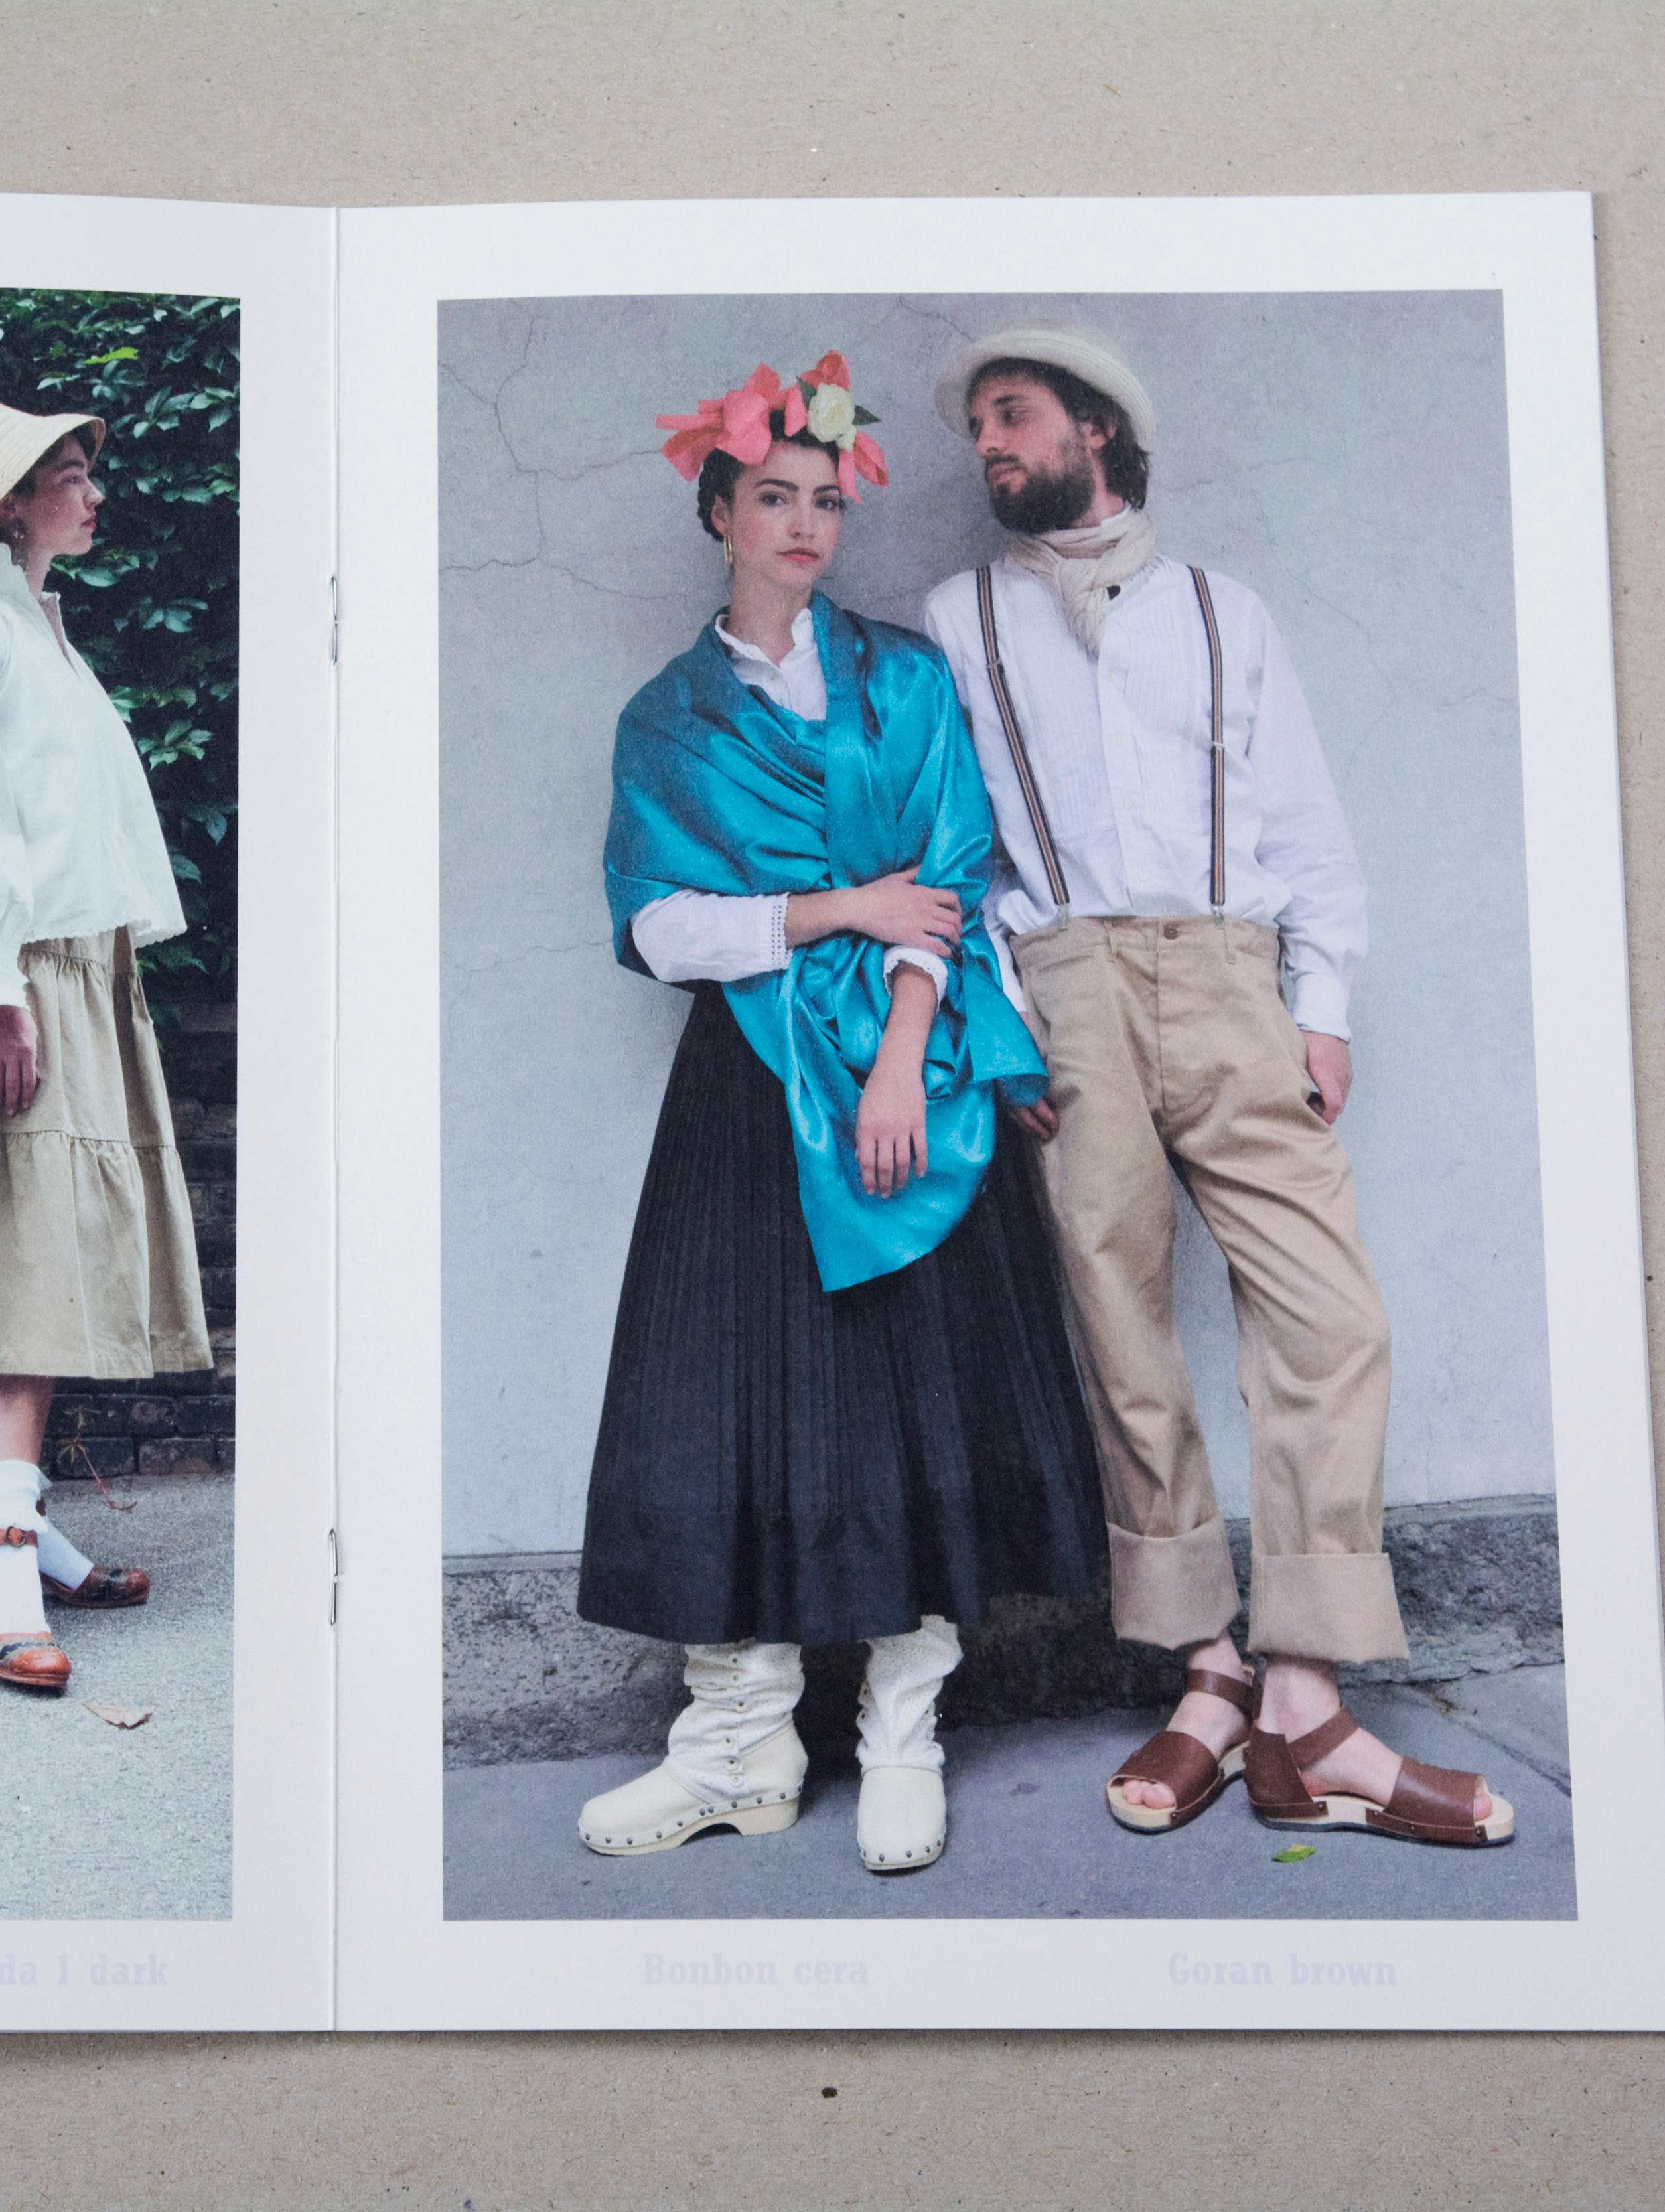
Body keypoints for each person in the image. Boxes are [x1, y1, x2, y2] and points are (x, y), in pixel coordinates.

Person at [920, 325, 1514, 1848]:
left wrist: (1321, 1004)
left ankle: (1303, 1686)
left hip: (1234, 973)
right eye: (978, 422)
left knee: (1330, 1313)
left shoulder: (1219, 613)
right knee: (1119, 1325)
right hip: (1062, 989)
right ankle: (1203, 1673)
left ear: (1099, 430)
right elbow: (954, 844)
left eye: (1012, 414)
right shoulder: (957, 616)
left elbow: (1301, 810)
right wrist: (998, 1027)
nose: (987, 442)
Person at [573, 355, 1108, 1874]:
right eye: (774, 498)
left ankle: (902, 1733)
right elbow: (663, 924)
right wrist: (830, 909)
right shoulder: (666, 721)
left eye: (825, 500)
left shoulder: (904, 677)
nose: (805, 525)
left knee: (908, 1389)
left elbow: (953, 874)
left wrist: (898, 1051)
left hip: (912, 1086)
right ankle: (737, 1745)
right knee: (731, 1398)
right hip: (748, 1094)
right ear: (719, 510)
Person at [0, 388, 210, 1695]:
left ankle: (28, 1530)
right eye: (68, 471)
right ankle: (1, 1565)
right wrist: (0, 989)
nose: (94, 489)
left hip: (75, 967)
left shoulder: (46, 639)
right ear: (10, 499)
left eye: (84, 466)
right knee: (19, 1254)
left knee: (56, 1250)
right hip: (12, 973)